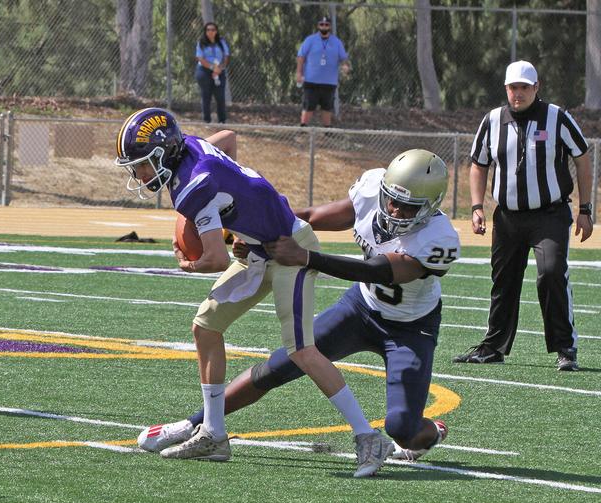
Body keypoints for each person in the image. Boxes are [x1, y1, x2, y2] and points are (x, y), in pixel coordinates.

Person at [115, 108, 393, 476]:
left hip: (290, 248)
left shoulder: (194, 186)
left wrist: (187, 262)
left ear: (164, 152)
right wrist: (238, 221)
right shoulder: (191, 146)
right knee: (206, 326)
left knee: (301, 350)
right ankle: (213, 433)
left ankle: (368, 436)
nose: (139, 174)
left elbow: (215, 259)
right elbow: (227, 139)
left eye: (142, 164)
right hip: (260, 249)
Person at [139, 149, 458, 463]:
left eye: (407, 206)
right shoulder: (371, 190)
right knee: (278, 365)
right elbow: (313, 217)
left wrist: (306, 257)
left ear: (431, 206)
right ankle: (196, 424)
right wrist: (260, 233)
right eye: (392, 200)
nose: (395, 210)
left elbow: (378, 271)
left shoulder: (439, 238)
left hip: (410, 328)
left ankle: (431, 432)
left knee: (402, 428)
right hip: (360, 309)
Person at [455, 60, 594, 371]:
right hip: (508, 217)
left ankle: (565, 347)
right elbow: (478, 164)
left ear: (536, 87)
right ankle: (493, 347)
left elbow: (582, 157)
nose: (518, 93)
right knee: (503, 279)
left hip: (550, 214)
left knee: (551, 272)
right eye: (513, 87)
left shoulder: (557, 117)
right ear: (506, 88)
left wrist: (585, 209)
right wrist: (476, 207)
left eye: (524, 87)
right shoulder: (492, 120)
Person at [296, 15, 350, 127]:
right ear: (318, 26)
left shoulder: (337, 42)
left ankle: (327, 130)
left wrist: (345, 66)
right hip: (311, 81)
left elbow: (343, 58)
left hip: (329, 82)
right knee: (308, 106)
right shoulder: (310, 40)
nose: (324, 26)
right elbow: (301, 56)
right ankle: (303, 128)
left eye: (326, 24)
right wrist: (299, 73)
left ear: (330, 26)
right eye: (321, 24)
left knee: (327, 108)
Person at [194, 22, 229, 124]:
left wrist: (220, 68)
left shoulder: (221, 42)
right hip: (204, 70)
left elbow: (226, 56)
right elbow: (200, 58)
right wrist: (212, 67)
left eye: (213, 30)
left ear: (216, 31)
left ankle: (222, 120)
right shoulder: (201, 42)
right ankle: (207, 120)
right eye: (208, 30)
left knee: (220, 96)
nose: (210, 32)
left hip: (219, 70)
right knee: (206, 95)